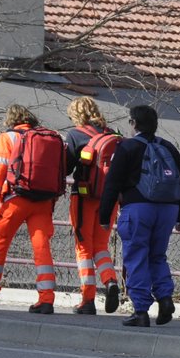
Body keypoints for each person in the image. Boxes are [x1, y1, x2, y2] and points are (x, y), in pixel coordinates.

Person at [99, 104, 180, 329]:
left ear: (134, 123)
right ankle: (165, 298)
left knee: (136, 256)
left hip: (138, 208)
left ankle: (140, 311)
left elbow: (112, 183)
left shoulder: (127, 147)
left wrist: (104, 215)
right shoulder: (168, 147)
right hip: (168, 209)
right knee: (157, 256)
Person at [0, 104, 62, 314]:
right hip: (43, 201)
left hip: (16, 199)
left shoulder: (9, 137)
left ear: (11, 120)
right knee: (41, 247)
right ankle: (46, 298)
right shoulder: (48, 138)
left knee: (0, 242)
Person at [62, 96, 122, 316]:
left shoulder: (76, 134)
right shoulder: (113, 134)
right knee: (101, 247)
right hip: (111, 199)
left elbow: (66, 168)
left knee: (83, 247)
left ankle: (87, 299)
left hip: (85, 197)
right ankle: (110, 281)